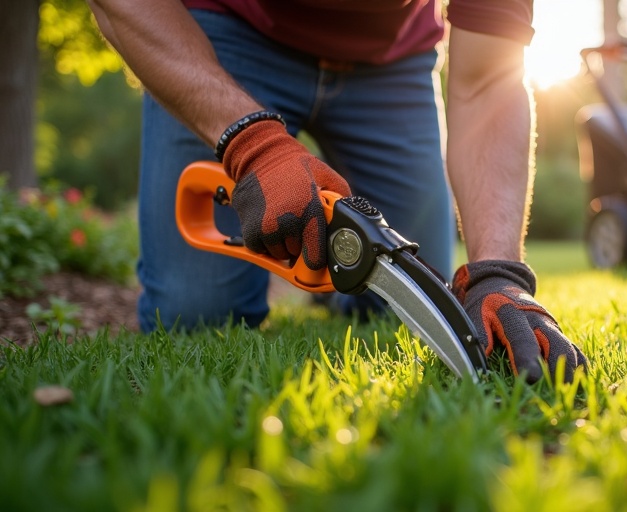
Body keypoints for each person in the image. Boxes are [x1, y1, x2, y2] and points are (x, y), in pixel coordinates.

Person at [86, 0, 587, 382]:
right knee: (194, 316)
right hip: (224, 32)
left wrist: (497, 271)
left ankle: (329, 281)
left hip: (390, 62)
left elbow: (488, 82)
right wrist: (251, 143)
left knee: (409, 298)